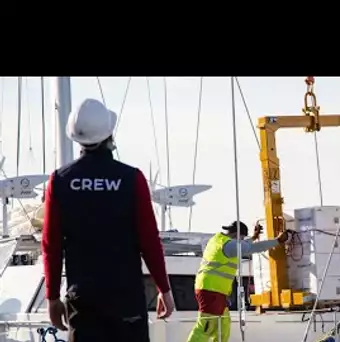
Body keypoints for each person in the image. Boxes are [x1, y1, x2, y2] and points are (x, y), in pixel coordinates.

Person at [41, 98, 175, 342]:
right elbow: (149, 241)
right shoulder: (132, 179)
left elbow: (51, 245)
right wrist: (164, 288)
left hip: (83, 300)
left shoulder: (59, 181)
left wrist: (51, 298)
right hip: (126, 298)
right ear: (109, 134)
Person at [187, 220, 291, 342]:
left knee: (223, 325)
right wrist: (277, 241)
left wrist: (253, 237)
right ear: (237, 235)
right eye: (241, 238)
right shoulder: (229, 245)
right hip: (211, 290)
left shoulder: (218, 240)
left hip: (214, 290)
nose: (242, 240)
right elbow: (250, 248)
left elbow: (242, 245)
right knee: (206, 327)